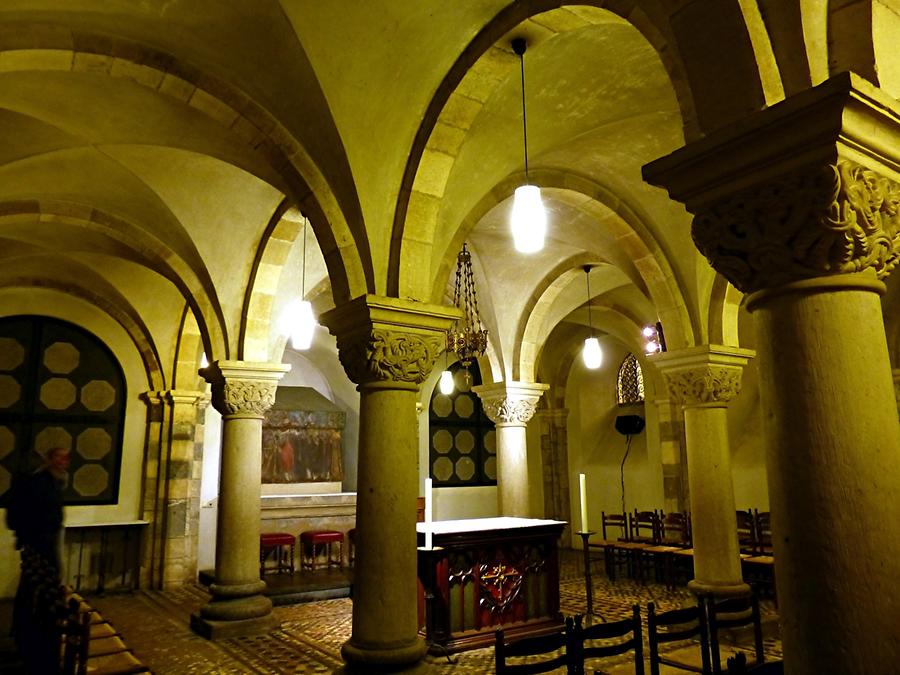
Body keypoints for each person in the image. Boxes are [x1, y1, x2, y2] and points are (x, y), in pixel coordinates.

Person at [5, 446, 70, 674]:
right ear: (50, 459)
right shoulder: (41, 482)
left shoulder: (49, 481)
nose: (64, 462)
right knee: (40, 589)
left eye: (66, 458)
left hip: (41, 542)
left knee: (33, 588)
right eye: (60, 457)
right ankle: (36, 641)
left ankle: (28, 633)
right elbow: (33, 512)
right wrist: (28, 535)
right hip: (41, 544)